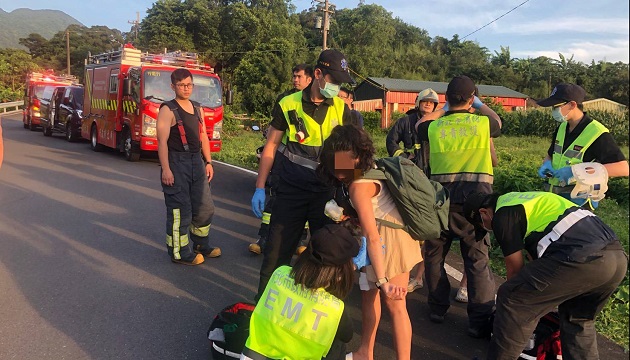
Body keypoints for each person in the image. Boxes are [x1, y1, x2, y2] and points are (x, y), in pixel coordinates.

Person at [463, 191, 628, 360]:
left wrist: (525, 309)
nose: (487, 229)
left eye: (482, 224)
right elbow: (537, 262)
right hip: (616, 256)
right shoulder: (526, 200)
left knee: (513, 298)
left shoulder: (502, 214)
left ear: (484, 213)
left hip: (580, 256)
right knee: (577, 320)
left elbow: (515, 271)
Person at [251, 49, 354, 301]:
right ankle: (264, 308)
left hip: (326, 196)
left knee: (326, 258)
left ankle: (318, 318)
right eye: (334, 80)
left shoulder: (342, 109)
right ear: (318, 74)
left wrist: (352, 199)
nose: (337, 87)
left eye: (341, 82)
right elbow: (271, 147)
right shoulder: (288, 103)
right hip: (290, 192)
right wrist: (260, 186)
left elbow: (349, 155)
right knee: (276, 256)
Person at [319, 124, 419, 360]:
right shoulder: (367, 171)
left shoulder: (358, 186)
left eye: (345, 162)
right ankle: (365, 351)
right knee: (367, 293)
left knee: (395, 302)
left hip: (391, 240)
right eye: (335, 163)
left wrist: (383, 279)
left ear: (358, 156)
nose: (339, 170)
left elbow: (374, 237)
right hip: (380, 237)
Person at [415, 75, 500, 338]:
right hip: (477, 203)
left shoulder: (435, 127)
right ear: (472, 97)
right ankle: (478, 320)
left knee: (434, 255)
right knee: (477, 260)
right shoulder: (482, 123)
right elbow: (498, 122)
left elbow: (421, 123)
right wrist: (479, 104)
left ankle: (438, 308)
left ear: (447, 98)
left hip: (441, 201)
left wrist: (443, 109)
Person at [241, 224, 358, 360]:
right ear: (339, 273)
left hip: (254, 354)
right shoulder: (334, 308)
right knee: (337, 340)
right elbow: (347, 335)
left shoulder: (280, 273)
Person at [156, 68, 221, 265]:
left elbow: (203, 136)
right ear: (173, 86)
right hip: (176, 163)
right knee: (180, 210)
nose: (186, 88)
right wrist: (166, 169)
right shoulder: (168, 109)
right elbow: (162, 142)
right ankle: (179, 252)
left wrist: (208, 162)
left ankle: (201, 244)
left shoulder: (197, 107)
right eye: (182, 85)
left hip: (197, 163)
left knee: (205, 207)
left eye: (189, 84)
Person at [248, 64, 313, 255]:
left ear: (310, 79)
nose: (295, 80)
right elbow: (275, 127)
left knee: (307, 204)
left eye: (299, 76)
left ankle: (300, 241)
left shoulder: (319, 103)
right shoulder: (285, 99)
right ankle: (263, 239)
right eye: (294, 76)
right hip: (284, 159)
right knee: (275, 199)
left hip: (309, 163)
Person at [535, 83, 629, 210]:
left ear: (572, 105)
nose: (553, 110)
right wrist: (546, 164)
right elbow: (551, 154)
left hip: (579, 202)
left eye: (556, 106)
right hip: (555, 198)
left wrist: (575, 172)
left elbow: (622, 168)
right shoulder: (562, 128)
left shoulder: (597, 133)